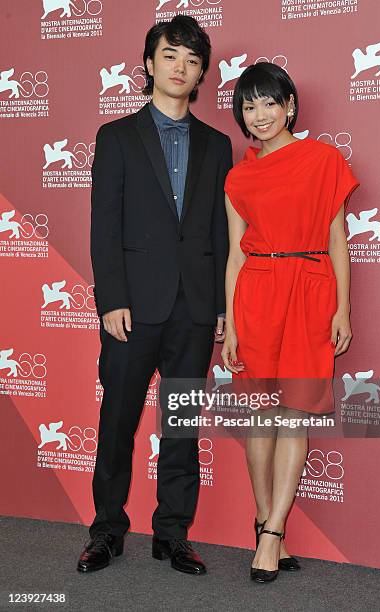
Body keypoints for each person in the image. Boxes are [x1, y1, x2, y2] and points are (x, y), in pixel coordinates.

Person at [77, 15, 232, 575]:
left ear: (200, 75)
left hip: (193, 308)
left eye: (192, 61)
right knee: (117, 420)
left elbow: (218, 231)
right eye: (171, 56)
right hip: (131, 310)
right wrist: (111, 299)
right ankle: (106, 530)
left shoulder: (217, 146)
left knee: (181, 425)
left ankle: (173, 534)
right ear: (149, 64)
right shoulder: (115, 137)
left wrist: (218, 307)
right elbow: (104, 224)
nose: (181, 67)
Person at [222, 62, 359, 583]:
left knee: (293, 414)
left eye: (269, 103)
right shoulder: (239, 175)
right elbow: (236, 254)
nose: (259, 116)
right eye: (249, 106)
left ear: (291, 106)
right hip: (256, 292)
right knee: (261, 417)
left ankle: (273, 532)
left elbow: (337, 239)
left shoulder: (324, 160)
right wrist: (231, 323)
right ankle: (265, 523)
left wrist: (343, 306)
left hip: (309, 291)